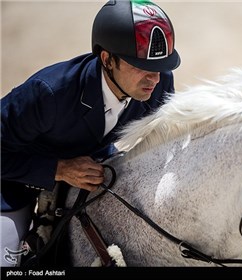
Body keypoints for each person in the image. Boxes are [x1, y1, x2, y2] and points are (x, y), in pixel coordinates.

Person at [0, 0, 180, 267]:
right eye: (140, 66)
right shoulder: (48, 92)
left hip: (93, 162)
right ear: (107, 60)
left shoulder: (159, 81)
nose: (154, 79)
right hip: (15, 177)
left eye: (160, 66)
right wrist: (58, 169)